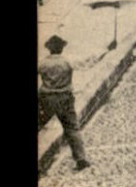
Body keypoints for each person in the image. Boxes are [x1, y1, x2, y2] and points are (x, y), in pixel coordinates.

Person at [38, 34, 117, 171]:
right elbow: (89, 62)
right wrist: (107, 50)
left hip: (46, 99)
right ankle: (81, 159)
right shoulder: (67, 61)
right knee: (72, 128)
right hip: (65, 98)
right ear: (62, 48)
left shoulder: (43, 63)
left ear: (49, 49)